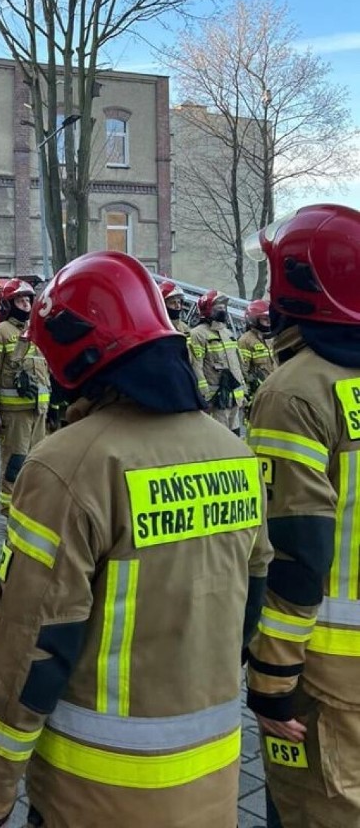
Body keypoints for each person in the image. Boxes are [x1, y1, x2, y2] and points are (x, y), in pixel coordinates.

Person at [0, 251, 271, 828]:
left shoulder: (67, 467)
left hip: (97, 788)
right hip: (215, 777)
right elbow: (254, 601)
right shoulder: (234, 452)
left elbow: (30, 649)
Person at [244, 205, 360, 828]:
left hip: (326, 672)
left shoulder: (294, 392)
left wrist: (271, 673)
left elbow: (295, 553)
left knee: (314, 810)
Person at [0, 279, 50, 517]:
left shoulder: (37, 330)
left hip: (39, 411)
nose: (25, 304)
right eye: (20, 300)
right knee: (15, 463)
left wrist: (52, 404)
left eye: (28, 300)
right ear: (9, 303)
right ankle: (10, 510)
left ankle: (33, 509)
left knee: (37, 463)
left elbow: (46, 369)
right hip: (14, 414)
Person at [189, 289, 246, 434]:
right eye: (218, 308)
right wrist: (205, 395)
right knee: (221, 437)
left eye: (223, 308)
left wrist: (243, 390)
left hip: (234, 398)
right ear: (207, 309)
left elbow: (237, 365)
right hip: (216, 400)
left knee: (236, 436)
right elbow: (196, 365)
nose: (223, 310)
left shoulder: (228, 333)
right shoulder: (197, 334)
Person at [237, 298, 276, 411]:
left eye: (269, 318)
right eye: (265, 319)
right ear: (253, 320)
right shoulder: (245, 341)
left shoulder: (271, 338)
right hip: (256, 393)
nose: (268, 322)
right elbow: (243, 371)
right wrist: (247, 395)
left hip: (273, 391)